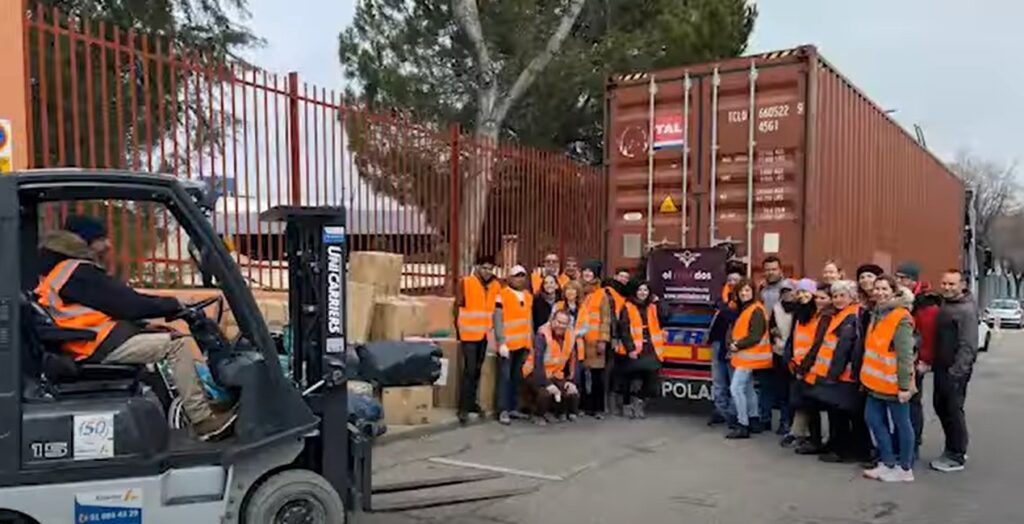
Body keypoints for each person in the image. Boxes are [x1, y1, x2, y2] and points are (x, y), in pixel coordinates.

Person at [35, 216, 236, 440]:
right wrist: (173, 305)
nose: (109, 245)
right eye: (102, 238)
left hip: (90, 341)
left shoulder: (62, 271)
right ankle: (203, 421)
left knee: (164, 335)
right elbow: (129, 304)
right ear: (84, 241)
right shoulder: (77, 272)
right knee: (177, 346)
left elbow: (111, 307)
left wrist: (148, 324)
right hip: (92, 345)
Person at [805, 279, 870, 463]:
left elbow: (846, 348)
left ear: (852, 297)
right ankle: (840, 446)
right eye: (835, 296)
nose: (838, 299)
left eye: (843, 296)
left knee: (846, 414)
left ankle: (847, 450)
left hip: (845, 373)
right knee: (839, 412)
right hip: (836, 372)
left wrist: (834, 374)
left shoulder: (852, 316)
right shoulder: (840, 315)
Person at [860, 275, 917, 482]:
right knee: (873, 420)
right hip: (875, 382)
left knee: (902, 424)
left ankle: (904, 468)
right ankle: (887, 462)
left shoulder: (900, 317)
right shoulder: (877, 313)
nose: (880, 293)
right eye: (876, 289)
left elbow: (905, 354)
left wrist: (904, 386)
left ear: (894, 291)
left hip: (894, 383)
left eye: (885, 289)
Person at [930, 269, 979, 473]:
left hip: (954, 370)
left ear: (963, 285)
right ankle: (954, 448)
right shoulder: (946, 304)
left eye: (952, 284)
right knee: (941, 407)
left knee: (952, 410)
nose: (947, 288)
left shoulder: (965, 310)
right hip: (942, 367)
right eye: (944, 283)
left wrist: (957, 372)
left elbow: (968, 345)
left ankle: (956, 455)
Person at [895, 261, 941, 460]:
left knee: (912, 402)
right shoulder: (903, 298)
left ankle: (912, 443)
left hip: (915, 360)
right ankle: (904, 441)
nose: (899, 281)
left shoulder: (925, 303)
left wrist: (925, 360)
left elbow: (928, 335)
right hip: (903, 357)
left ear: (913, 280)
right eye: (897, 277)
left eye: (903, 278)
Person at [454, 254, 502, 424]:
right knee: (470, 370)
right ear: (477, 267)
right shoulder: (466, 282)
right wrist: (458, 331)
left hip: (483, 334)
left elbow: (496, 308)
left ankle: (472, 402)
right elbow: (457, 307)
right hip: (468, 334)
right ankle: (463, 408)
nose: (488, 271)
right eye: (485, 268)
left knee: (478, 369)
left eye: (490, 268)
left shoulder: (496, 285)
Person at [787, 282, 834, 454]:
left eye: (806, 293)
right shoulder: (800, 314)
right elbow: (793, 339)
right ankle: (812, 439)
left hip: (813, 367)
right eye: (799, 292)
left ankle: (818, 441)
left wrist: (804, 366)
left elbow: (817, 344)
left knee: (819, 406)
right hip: (800, 366)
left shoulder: (821, 316)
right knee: (807, 406)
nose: (803, 296)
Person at [725, 279, 771, 439]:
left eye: (747, 291)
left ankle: (742, 424)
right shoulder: (750, 308)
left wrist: (737, 345)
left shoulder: (755, 310)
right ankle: (754, 419)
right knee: (748, 389)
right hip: (749, 356)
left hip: (748, 356)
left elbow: (755, 336)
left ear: (753, 292)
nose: (744, 294)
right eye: (741, 291)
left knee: (736, 388)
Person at [615, 281, 665, 419]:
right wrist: (630, 349)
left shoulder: (653, 307)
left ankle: (639, 401)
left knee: (652, 378)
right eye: (640, 290)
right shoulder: (627, 306)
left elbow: (665, 316)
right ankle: (626, 405)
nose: (643, 293)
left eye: (645, 290)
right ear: (635, 292)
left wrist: (659, 302)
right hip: (631, 348)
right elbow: (624, 330)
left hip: (650, 348)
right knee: (627, 379)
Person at [523, 310, 580, 424]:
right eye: (559, 322)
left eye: (564, 323)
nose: (561, 326)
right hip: (534, 372)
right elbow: (538, 363)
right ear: (552, 320)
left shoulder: (570, 335)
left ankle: (558, 413)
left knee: (571, 392)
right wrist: (547, 384)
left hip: (555, 373)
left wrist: (571, 381)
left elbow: (574, 361)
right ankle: (537, 414)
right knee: (545, 393)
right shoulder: (542, 335)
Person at [494, 265, 534, 425]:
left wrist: (529, 342)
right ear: (509, 278)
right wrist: (501, 341)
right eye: (517, 276)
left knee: (517, 378)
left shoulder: (527, 296)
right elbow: (497, 320)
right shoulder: (502, 295)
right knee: (504, 378)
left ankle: (513, 408)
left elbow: (529, 321)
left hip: (522, 344)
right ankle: (503, 409)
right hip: (507, 345)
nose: (520, 278)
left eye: (523, 276)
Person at [708, 267, 743, 427]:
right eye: (730, 280)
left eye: (736, 280)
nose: (732, 283)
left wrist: (722, 307)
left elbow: (733, 316)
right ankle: (720, 411)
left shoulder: (743, 301)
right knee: (718, 379)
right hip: (718, 342)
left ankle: (733, 413)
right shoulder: (721, 298)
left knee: (734, 381)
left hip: (734, 345)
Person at [577, 261, 612, 419]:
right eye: (585, 271)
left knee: (597, 376)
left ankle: (598, 408)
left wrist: (603, 340)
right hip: (580, 341)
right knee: (581, 376)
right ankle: (583, 406)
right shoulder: (577, 291)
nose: (587, 274)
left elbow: (605, 319)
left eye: (590, 272)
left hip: (595, 340)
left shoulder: (601, 294)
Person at [764, 278, 797, 435]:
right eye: (784, 292)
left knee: (795, 393)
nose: (787, 295)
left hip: (796, 356)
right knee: (783, 391)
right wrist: (774, 335)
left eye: (789, 292)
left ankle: (794, 424)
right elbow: (771, 329)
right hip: (779, 354)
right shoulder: (776, 309)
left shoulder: (800, 309)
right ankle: (784, 422)